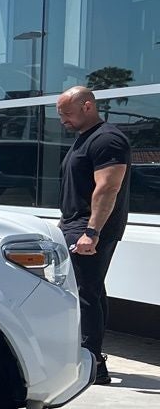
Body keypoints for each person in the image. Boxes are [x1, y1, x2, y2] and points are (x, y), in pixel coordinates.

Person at [55, 86, 131, 385]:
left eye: (68, 114)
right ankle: (91, 359)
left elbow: (108, 187)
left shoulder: (107, 139)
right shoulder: (84, 140)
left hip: (90, 229)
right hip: (76, 225)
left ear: (88, 106)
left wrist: (91, 231)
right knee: (90, 291)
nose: (63, 120)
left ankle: (94, 363)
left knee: (85, 294)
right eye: (60, 115)